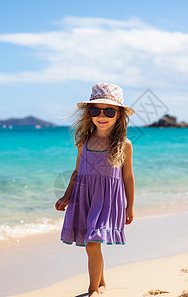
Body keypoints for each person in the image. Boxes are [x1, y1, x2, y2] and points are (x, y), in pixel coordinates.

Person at [55, 83, 135, 296]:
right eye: (95, 110)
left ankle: (93, 289)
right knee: (92, 243)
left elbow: (127, 176)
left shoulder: (124, 145)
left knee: (92, 243)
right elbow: (77, 171)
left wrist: (130, 206)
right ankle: (101, 282)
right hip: (84, 197)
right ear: (88, 114)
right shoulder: (84, 140)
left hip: (107, 201)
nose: (102, 116)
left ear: (119, 115)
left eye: (109, 111)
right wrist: (66, 196)